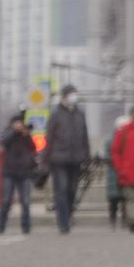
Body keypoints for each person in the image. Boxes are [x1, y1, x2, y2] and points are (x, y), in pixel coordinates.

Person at [46, 85, 91, 233]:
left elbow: (84, 136)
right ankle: (63, 223)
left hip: (76, 158)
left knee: (72, 191)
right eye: (72, 94)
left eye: (75, 94)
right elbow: (49, 138)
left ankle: (68, 215)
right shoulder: (56, 114)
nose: (74, 97)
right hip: (59, 159)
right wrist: (46, 160)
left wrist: (87, 156)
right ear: (64, 97)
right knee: (62, 190)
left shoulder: (80, 114)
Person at [0, 113, 38, 234]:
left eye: (20, 123)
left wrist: (26, 134)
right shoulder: (8, 132)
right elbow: (3, 142)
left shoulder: (25, 134)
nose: (19, 125)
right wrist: (14, 131)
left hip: (25, 172)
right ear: (12, 123)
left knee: (25, 201)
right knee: (6, 201)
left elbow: (33, 147)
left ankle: (26, 227)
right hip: (9, 171)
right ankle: (1, 226)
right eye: (16, 123)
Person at [104, 119, 125, 227]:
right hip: (116, 171)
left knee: (119, 198)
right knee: (116, 199)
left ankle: (115, 220)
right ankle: (116, 219)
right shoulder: (111, 138)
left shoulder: (110, 138)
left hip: (116, 171)